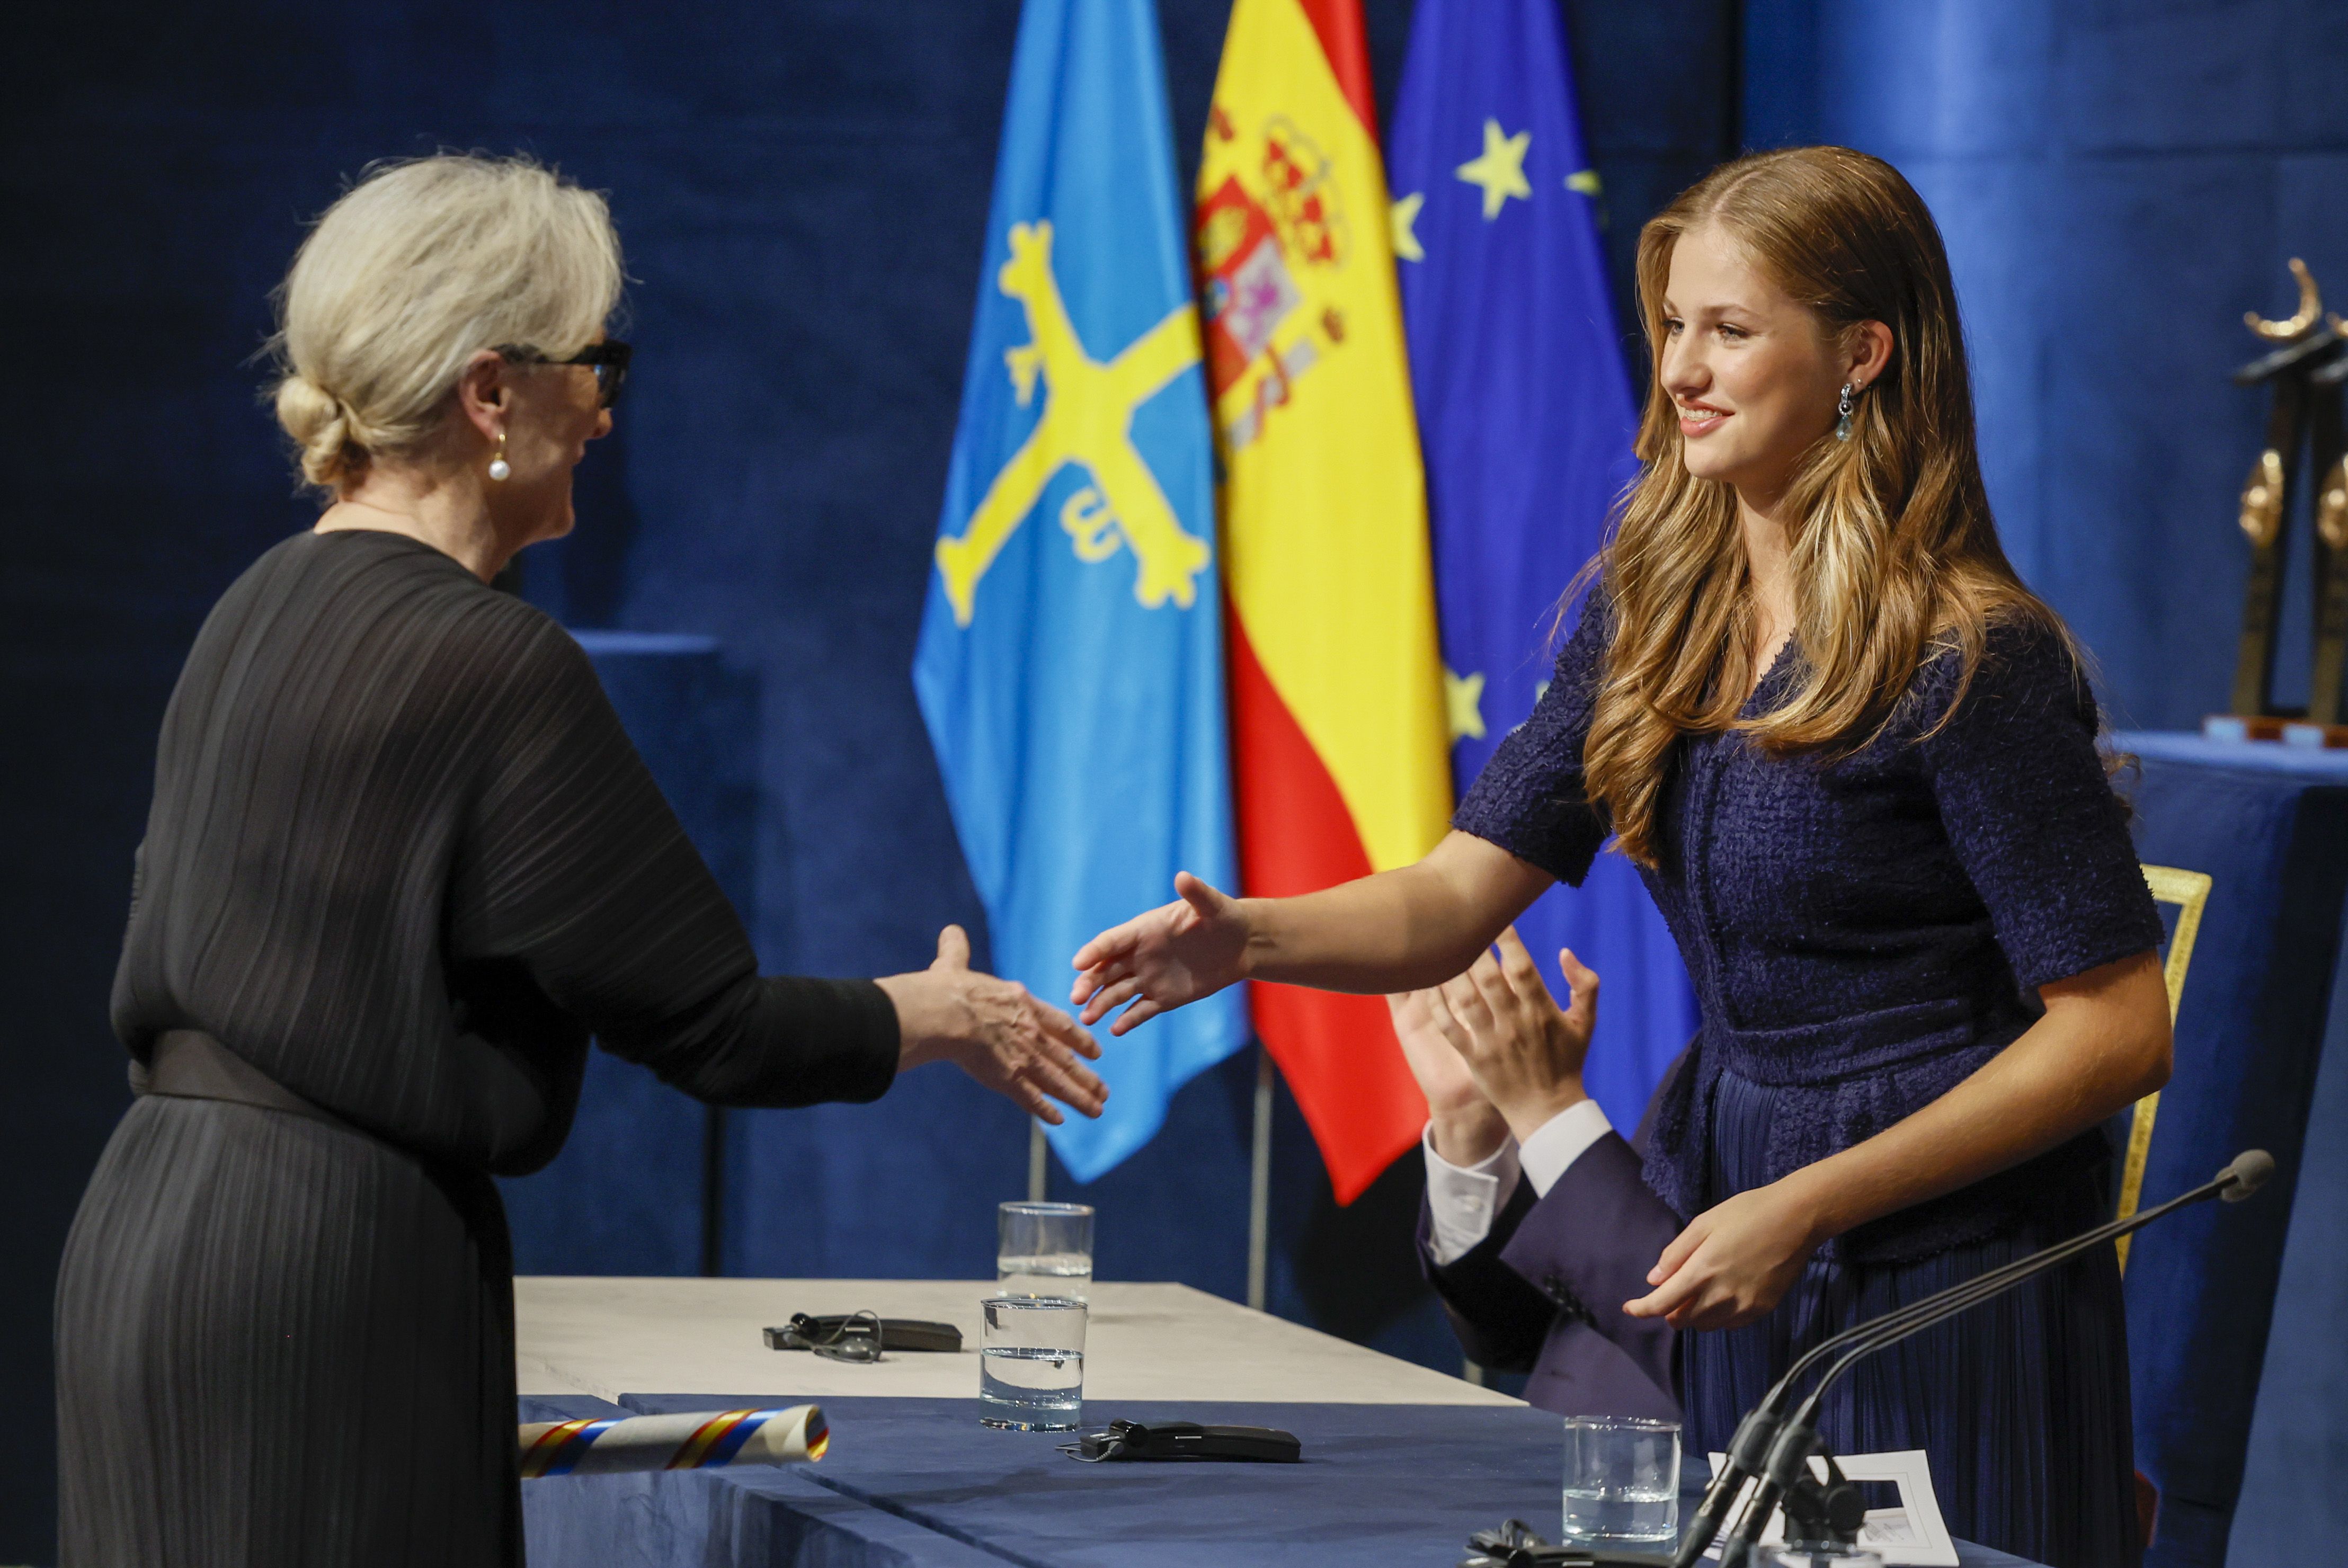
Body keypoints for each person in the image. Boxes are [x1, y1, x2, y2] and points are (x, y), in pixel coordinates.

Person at [1072, 146, 2169, 1567]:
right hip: (1729, 1196)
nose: (1682, 373)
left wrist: (1812, 1202)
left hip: (1936, 1267)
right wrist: (1248, 943)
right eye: (1672, 326)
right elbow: (1458, 894)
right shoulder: (1655, 610)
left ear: (1861, 354)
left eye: (1730, 330)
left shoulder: (1969, 653)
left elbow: (2118, 1031)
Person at [54, 154, 1107, 1568]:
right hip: (326, 1276)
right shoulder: (494, 663)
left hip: (142, 1243)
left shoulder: (250, 610)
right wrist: (932, 1017)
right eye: (594, 361)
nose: (608, 408)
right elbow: (714, 1026)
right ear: (492, 394)